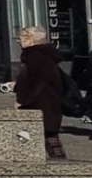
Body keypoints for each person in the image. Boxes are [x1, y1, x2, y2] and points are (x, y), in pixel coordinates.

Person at [13, 25, 69, 160]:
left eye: (21, 38)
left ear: (30, 39)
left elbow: (38, 81)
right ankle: (60, 163)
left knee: (28, 134)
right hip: (48, 101)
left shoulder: (35, 56)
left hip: (40, 102)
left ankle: (57, 164)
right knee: (48, 135)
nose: (19, 41)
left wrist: (23, 101)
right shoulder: (44, 54)